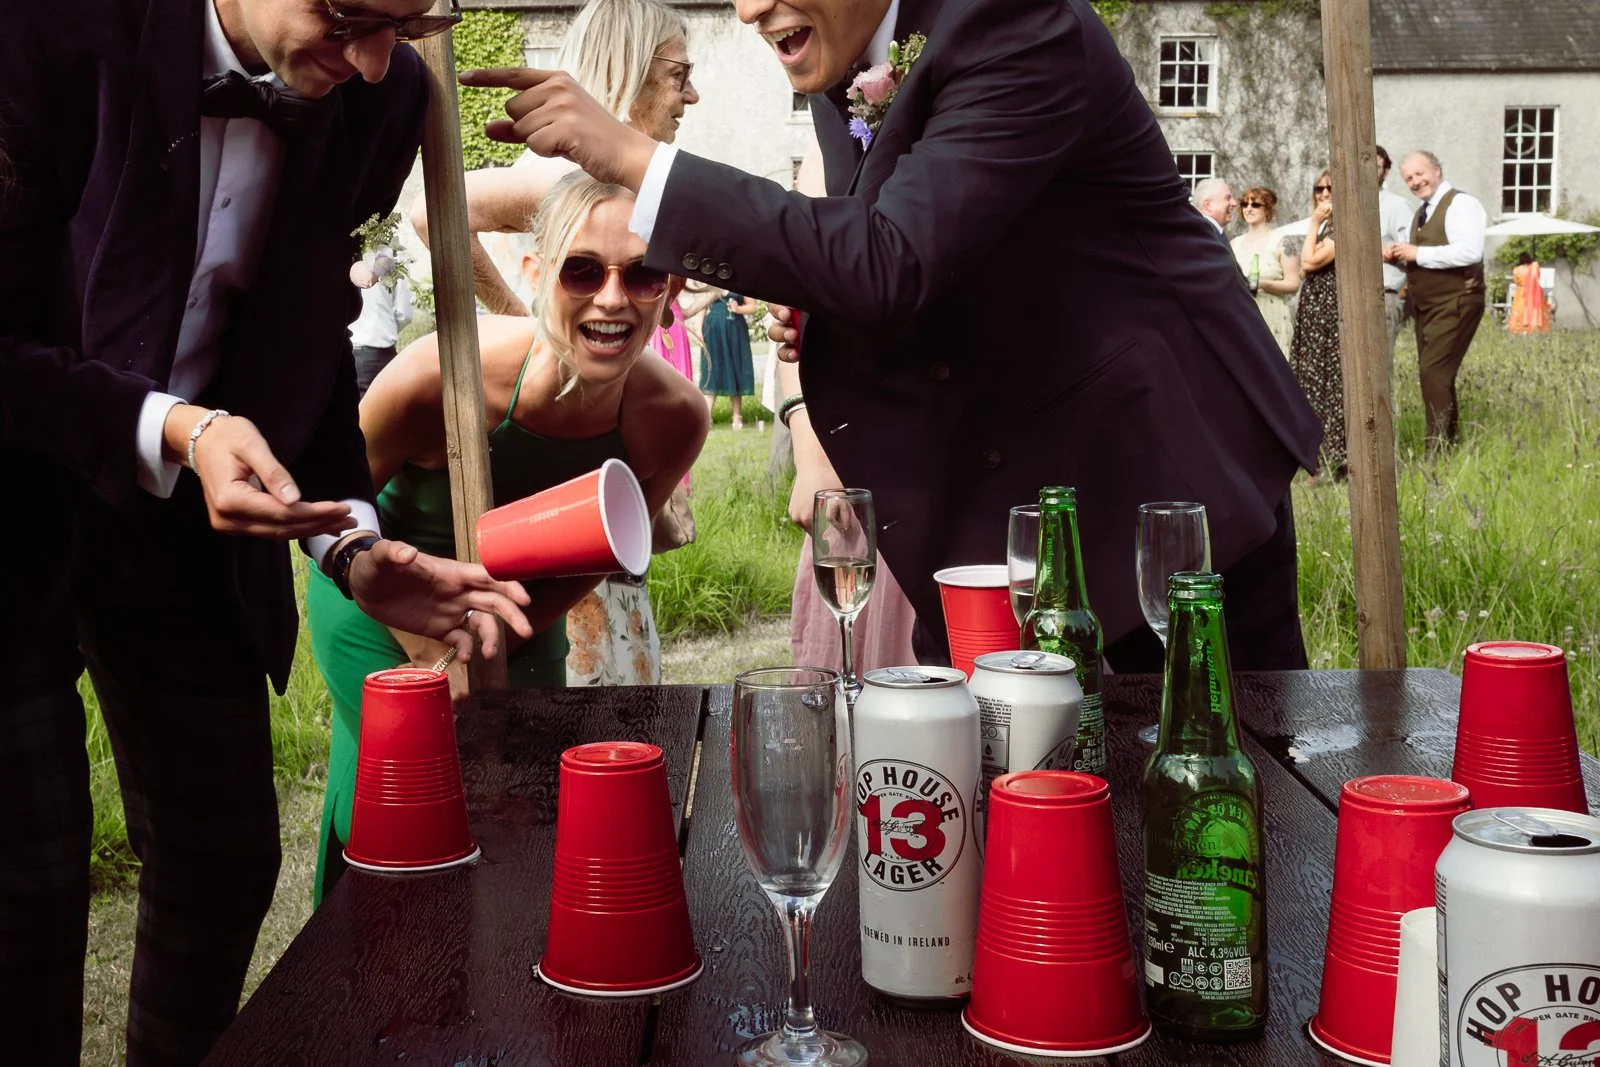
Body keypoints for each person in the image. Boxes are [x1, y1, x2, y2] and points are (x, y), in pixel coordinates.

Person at [464, 0, 1323, 675]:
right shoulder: (844, 64)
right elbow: (907, 253)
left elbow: (891, 258)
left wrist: (632, 157)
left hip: (1154, 494)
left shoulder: (1016, 22)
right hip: (1000, 520)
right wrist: (824, 315)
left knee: (1214, 787)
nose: (750, 9)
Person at [0, 0, 536, 1063]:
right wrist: (178, 427)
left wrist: (348, 539)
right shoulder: (41, 29)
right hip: (13, 492)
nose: (375, 59)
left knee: (224, 857)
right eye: (349, 15)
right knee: (27, 883)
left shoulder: (383, 97)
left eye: (408, 23)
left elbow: (304, 330)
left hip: (181, 524)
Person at [308, 173, 709, 904]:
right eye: (581, 269)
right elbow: (329, 504)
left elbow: (601, 554)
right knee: (405, 813)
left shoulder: (676, 418)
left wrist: (499, 635)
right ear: (533, 272)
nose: (612, 298)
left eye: (642, 274)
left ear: (670, 287)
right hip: (379, 601)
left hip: (522, 612)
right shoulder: (440, 374)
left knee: (523, 809)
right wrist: (428, 642)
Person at [410, 0, 699, 316]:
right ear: (629, 69)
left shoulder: (613, 173)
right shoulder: (579, 175)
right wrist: (518, 318)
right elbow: (432, 212)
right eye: (678, 74)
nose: (692, 95)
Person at [1385, 150, 1487, 448]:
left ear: (1437, 170)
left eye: (1420, 174)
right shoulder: (1422, 212)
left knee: (1434, 370)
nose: (1415, 182)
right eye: (1409, 178)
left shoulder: (1462, 203)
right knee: (1436, 374)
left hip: (1457, 300)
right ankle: (1447, 444)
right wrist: (1399, 256)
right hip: (1428, 306)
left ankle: (1437, 448)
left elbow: (1470, 251)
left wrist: (1417, 253)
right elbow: (1430, 254)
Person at [1289, 170, 1344, 482]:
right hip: (1314, 312)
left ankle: (1330, 461)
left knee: (1326, 384)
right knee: (1310, 383)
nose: (1324, 194)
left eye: (1330, 188)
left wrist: (1312, 224)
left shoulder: (1338, 227)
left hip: (1327, 316)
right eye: (1318, 188)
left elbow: (1308, 262)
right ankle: (1316, 460)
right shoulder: (1326, 226)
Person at [1230, 186, 1301, 356]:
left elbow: (1294, 283)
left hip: (1272, 314)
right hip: (1243, 314)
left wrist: (1264, 284)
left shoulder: (1282, 242)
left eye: (1255, 205)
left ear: (1267, 209)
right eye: (1244, 204)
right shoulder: (1235, 243)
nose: (1248, 208)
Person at [1375, 145, 1413, 370]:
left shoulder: (1396, 206)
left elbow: (1411, 250)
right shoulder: (1348, 205)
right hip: (1350, 297)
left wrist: (1377, 249)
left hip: (1384, 295)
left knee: (1379, 368)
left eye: (1376, 167)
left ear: (1386, 171)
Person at [350, 270, 416, 397]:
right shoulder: (394, 261)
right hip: (382, 350)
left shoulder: (341, 261)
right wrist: (386, 326)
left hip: (348, 350)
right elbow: (404, 313)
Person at [699, 290, 760, 427]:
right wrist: (698, 329)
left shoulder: (741, 282)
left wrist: (738, 309)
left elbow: (753, 306)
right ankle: (706, 417)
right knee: (712, 369)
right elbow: (701, 306)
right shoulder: (711, 281)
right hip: (712, 329)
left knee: (735, 367)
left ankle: (737, 417)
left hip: (735, 329)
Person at [1507, 252, 1552, 335]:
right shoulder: (1534, 268)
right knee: (1533, 310)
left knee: (1519, 310)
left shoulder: (1516, 270)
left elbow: (1516, 282)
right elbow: (1538, 277)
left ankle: (1518, 329)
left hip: (1521, 293)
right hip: (1534, 294)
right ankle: (1535, 328)